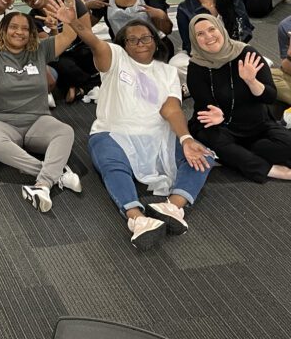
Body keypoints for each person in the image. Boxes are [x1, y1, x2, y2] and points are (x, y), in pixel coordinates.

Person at [63, 14, 214, 250]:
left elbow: (172, 109)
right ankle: (137, 218)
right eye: (132, 40)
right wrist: (74, 22)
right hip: (113, 133)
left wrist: (185, 139)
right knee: (112, 164)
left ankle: (172, 207)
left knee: (203, 155)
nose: (140, 43)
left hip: (157, 135)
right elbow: (93, 41)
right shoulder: (115, 58)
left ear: (155, 41)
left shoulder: (167, 72)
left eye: (145, 38)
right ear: (124, 44)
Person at [0, 0, 81, 214]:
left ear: (31, 33)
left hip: (38, 120)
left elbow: (68, 36)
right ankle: (55, 174)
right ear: (3, 30)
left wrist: (69, 9)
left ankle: (42, 185)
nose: (19, 32)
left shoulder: (39, 49)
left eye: (25, 28)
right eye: (14, 27)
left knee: (66, 132)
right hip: (0, 120)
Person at [185, 15, 291, 182]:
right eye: (200, 34)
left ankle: (238, 154)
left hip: (256, 122)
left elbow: (269, 97)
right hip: (221, 126)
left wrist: (252, 81)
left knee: (287, 144)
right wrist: (220, 116)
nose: (208, 37)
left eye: (212, 29)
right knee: (214, 140)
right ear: (194, 39)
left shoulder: (246, 53)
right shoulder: (197, 66)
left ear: (221, 29)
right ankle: (271, 170)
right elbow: (205, 105)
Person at [175, 0, 252, 55]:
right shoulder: (184, 10)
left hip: (236, 48)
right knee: (177, 62)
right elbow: (189, 44)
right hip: (206, 56)